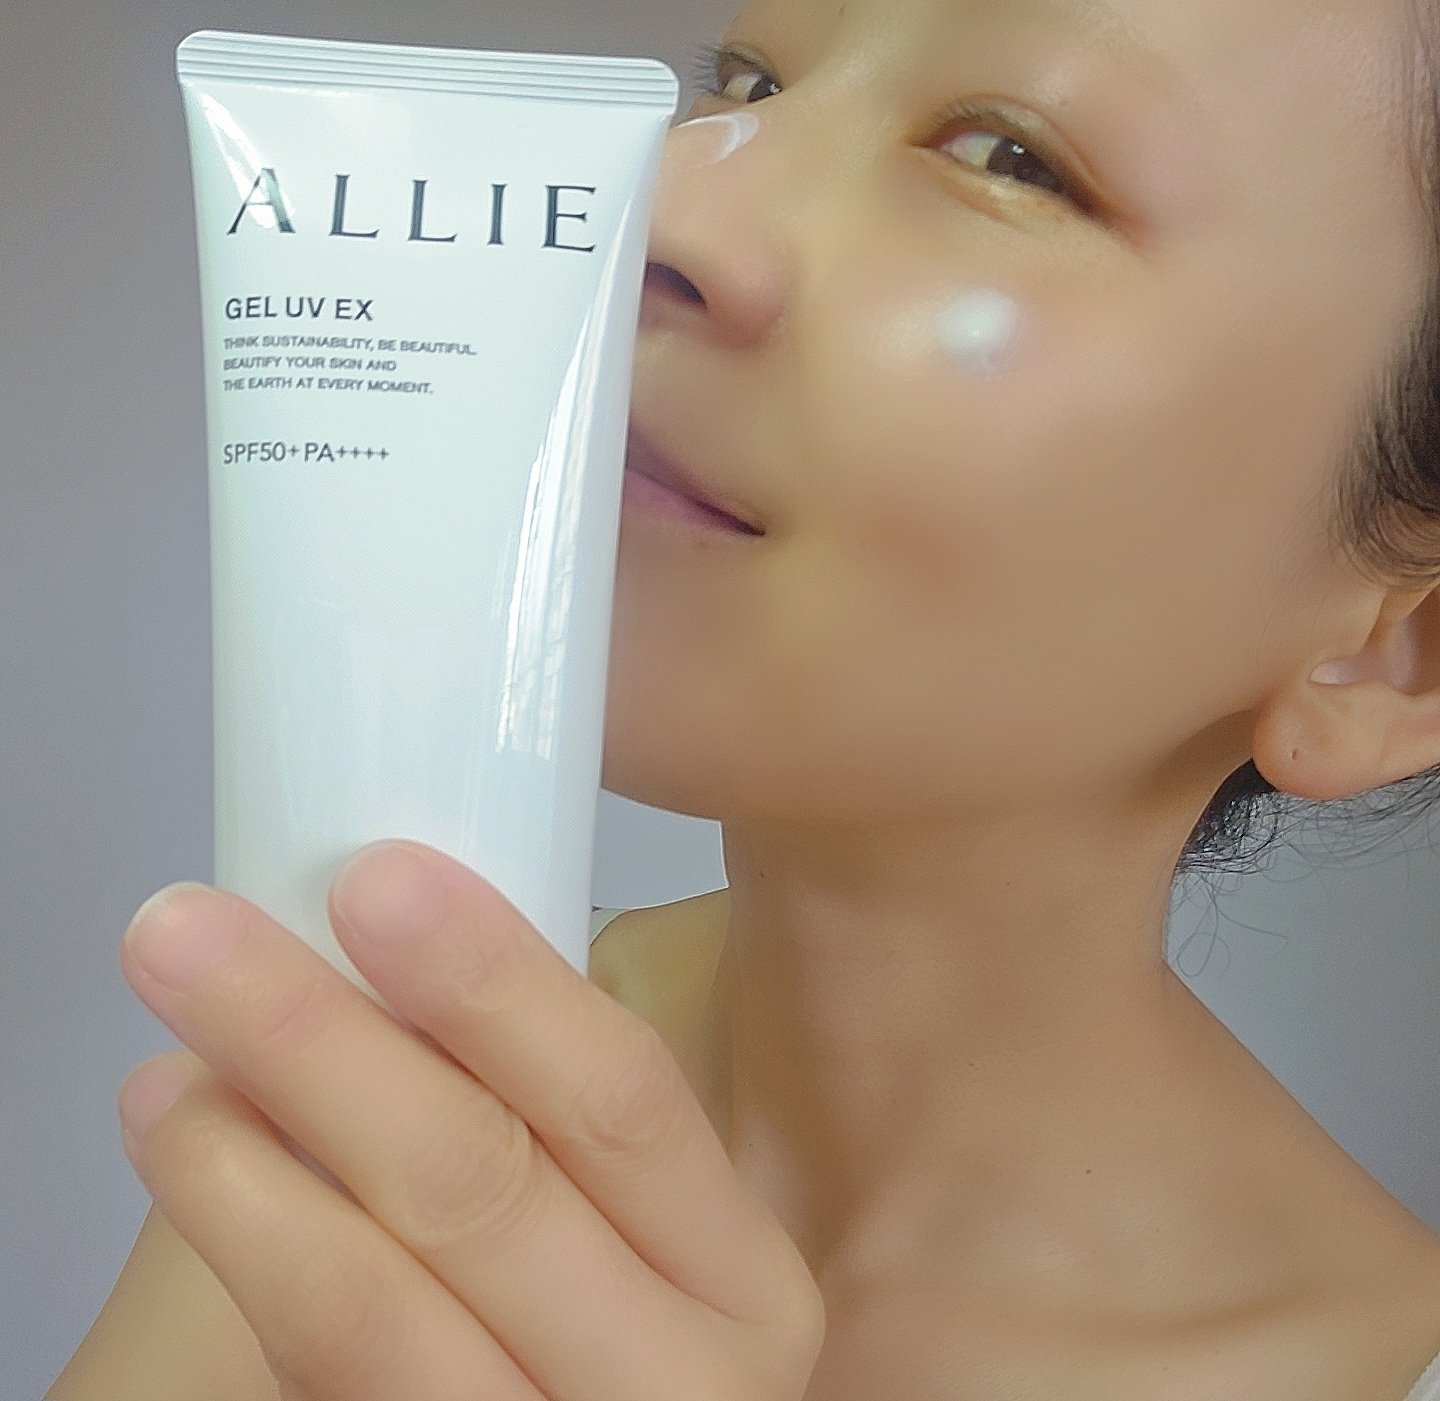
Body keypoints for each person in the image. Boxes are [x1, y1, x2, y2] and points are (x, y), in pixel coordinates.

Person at [48, 0, 1440, 1396]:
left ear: (1398, 653)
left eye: (1012, 160)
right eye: (752, 83)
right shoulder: (397, 1082)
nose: (662, 203)